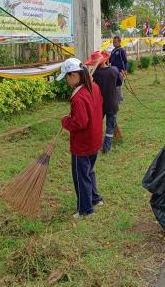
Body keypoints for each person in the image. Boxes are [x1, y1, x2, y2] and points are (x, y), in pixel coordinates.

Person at [57, 58, 104, 219]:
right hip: (95, 138)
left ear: (74, 75)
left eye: (66, 77)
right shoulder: (94, 87)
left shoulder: (78, 97)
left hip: (82, 144)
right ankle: (95, 199)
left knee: (80, 176)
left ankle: (85, 209)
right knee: (89, 171)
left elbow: (80, 123)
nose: (66, 81)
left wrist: (65, 121)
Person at [85, 51, 120, 153]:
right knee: (110, 127)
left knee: (96, 125)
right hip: (112, 104)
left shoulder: (95, 74)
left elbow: (90, 88)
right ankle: (107, 148)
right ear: (105, 61)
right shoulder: (113, 71)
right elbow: (119, 83)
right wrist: (121, 77)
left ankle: (93, 144)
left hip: (99, 105)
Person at [109, 36, 127, 103]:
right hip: (113, 71)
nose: (114, 43)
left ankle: (120, 100)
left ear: (119, 42)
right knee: (114, 85)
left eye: (115, 42)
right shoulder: (113, 50)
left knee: (118, 85)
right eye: (113, 42)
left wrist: (125, 70)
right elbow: (110, 60)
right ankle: (115, 98)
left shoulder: (121, 50)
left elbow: (125, 61)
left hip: (120, 71)